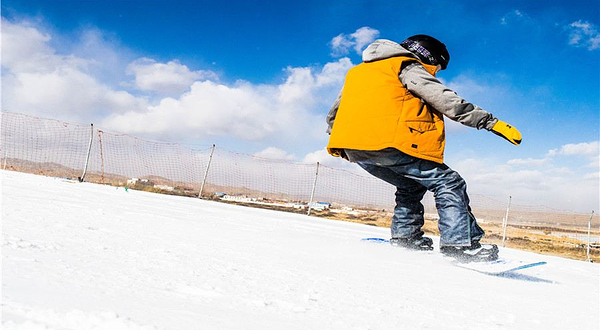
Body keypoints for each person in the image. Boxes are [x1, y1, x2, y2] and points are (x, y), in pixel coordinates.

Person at [326, 35, 521, 262]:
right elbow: (442, 98)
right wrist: (489, 122)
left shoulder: (358, 72)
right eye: (436, 67)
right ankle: (460, 245)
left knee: (410, 185)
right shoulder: (406, 65)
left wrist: (343, 137)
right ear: (427, 55)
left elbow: (335, 112)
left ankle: (406, 238)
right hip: (389, 143)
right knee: (449, 182)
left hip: (353, 148)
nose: (435, 73)